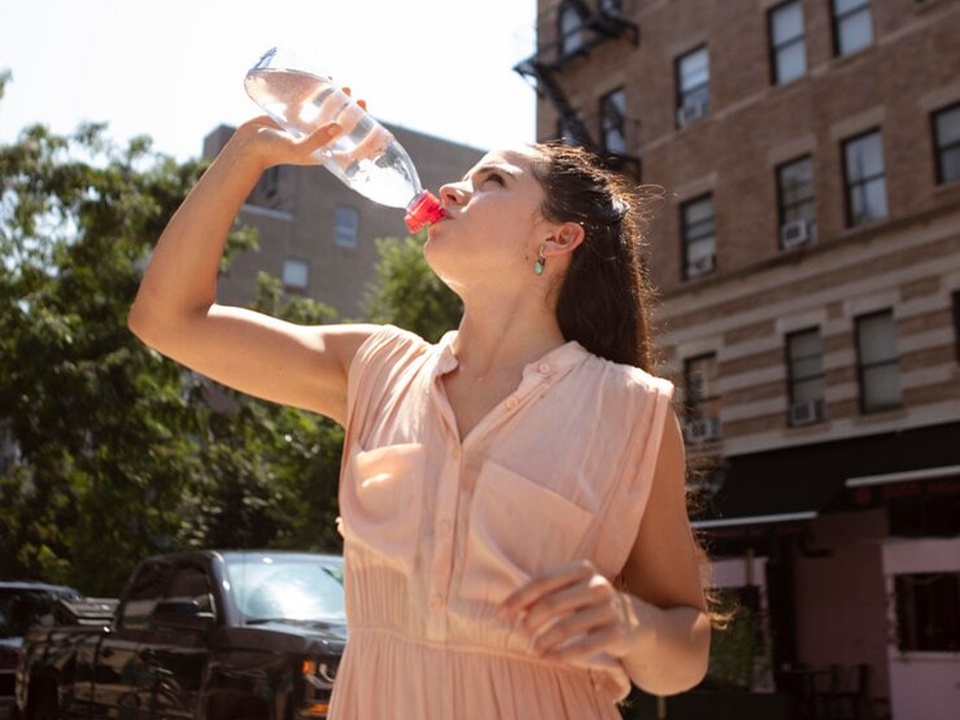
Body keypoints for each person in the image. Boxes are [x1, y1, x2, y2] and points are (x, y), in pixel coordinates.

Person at [128, 114, 712, 719]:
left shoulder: (630, 408)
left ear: (559, 239)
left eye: (493, 181)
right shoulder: (375, 369)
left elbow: (687, 648)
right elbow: (166, 319)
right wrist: (247, 152)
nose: (451, 190)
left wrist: (629, 625)